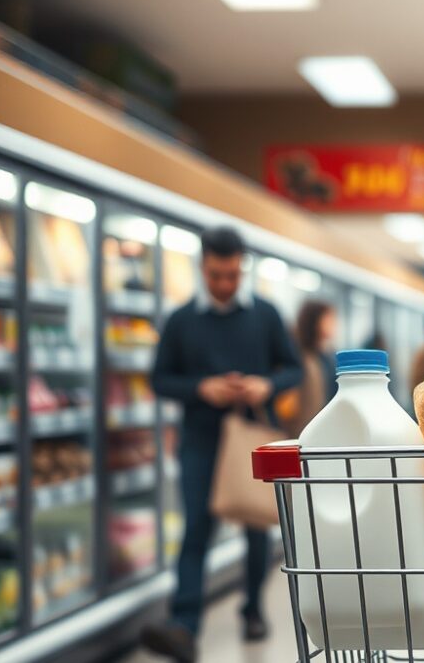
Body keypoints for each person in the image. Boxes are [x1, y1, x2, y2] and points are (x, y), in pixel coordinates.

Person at [141, 226, 302, 662]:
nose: (225, 284)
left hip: (251, 438)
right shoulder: (181, 321)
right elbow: (159, 379)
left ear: (241, 268)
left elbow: (294, 369)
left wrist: (266, 385)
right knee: (196, 527)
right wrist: (201, 389)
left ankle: (252, 609)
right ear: (202, 267)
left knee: (255, 525)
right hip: (200, 440)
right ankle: (184, 625)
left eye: (232, 275)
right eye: (216, 274)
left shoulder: (265, 315)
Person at [293, 299, 338, 430]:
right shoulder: (300, 355)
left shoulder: (330, 355)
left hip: (329, 424)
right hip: (306, 426)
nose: (334, 324)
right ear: (315, 321)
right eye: (328, 319)